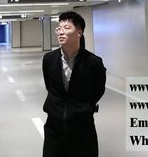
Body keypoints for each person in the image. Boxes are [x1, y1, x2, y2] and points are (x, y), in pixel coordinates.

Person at [42, 11, 106, 157]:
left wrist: (82, 107)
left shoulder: (93, 62)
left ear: (79, 33)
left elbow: (98, 91)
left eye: (66, 28)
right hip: (54, 127)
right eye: (59, 28)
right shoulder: (49, 59)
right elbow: (49, 86)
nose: (61, 32)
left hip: (82, 127)